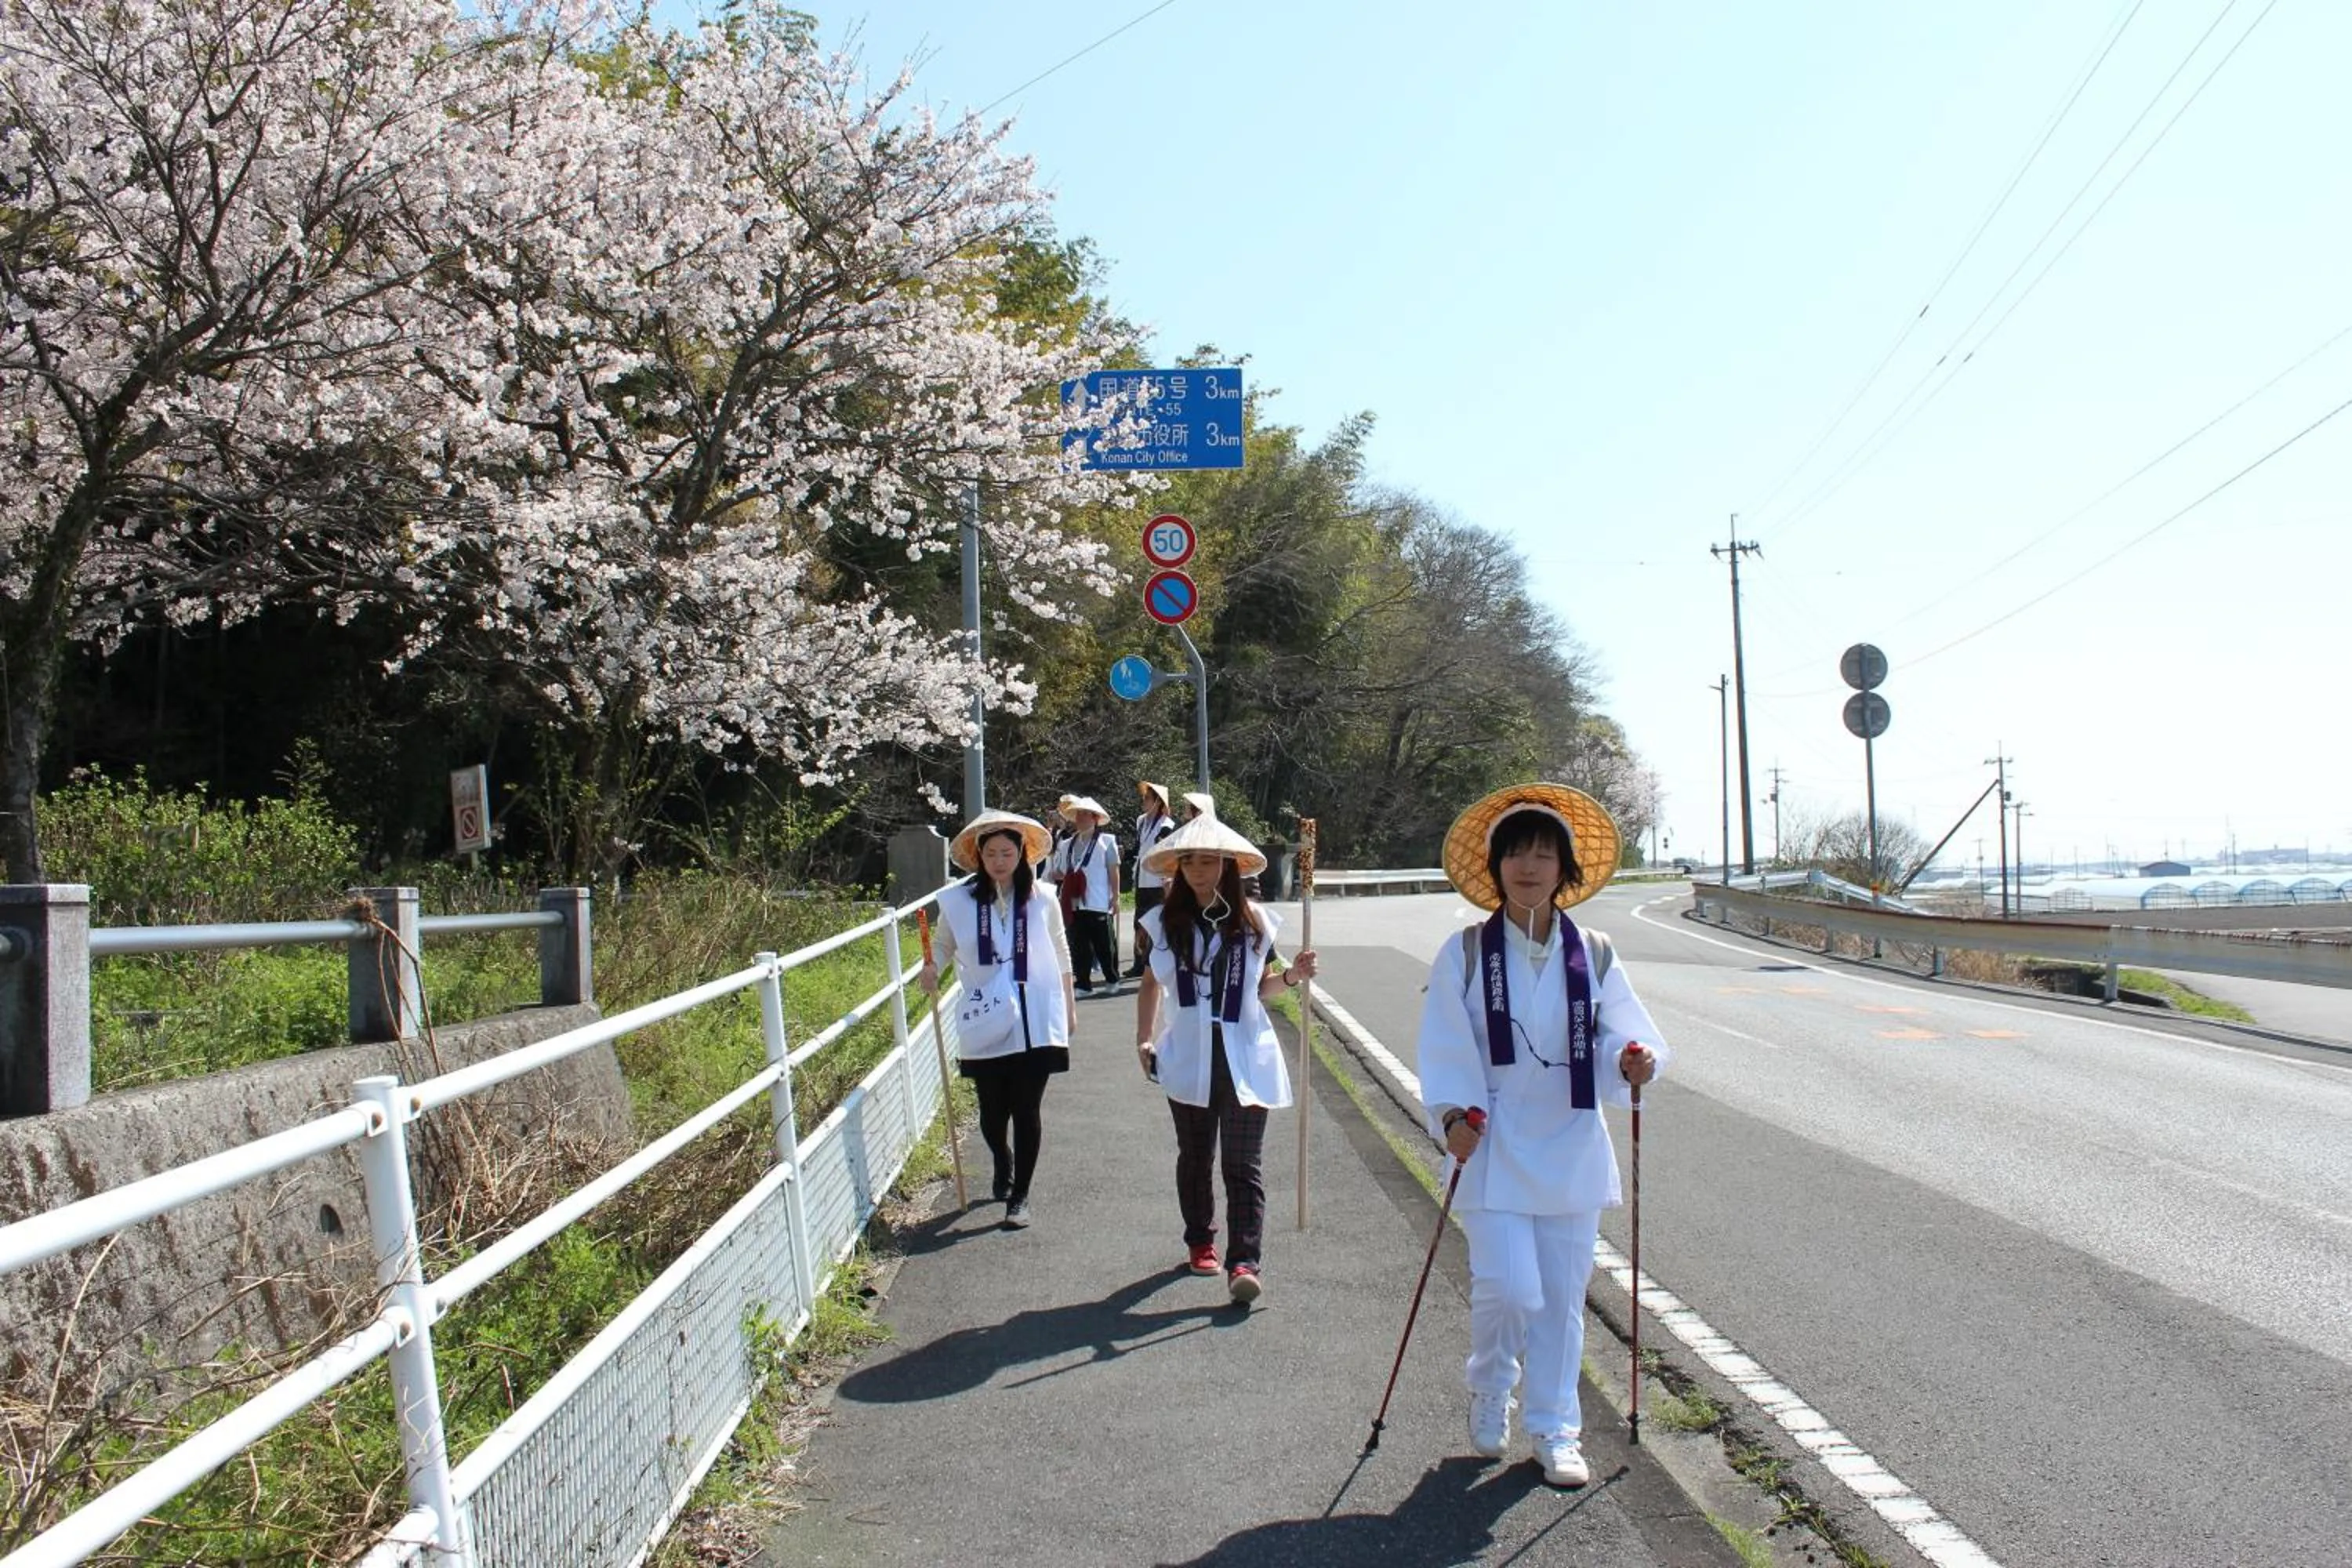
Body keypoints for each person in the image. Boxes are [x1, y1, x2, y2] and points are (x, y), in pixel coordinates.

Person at [1413, 782, 1668, 1488]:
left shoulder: (1597, 952)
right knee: (1509, 1287)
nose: (1529, 865)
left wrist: (1633, 1059)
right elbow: (1445, 1043)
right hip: (1493, 1143)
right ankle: (1492, 1384)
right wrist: (1454, 1115)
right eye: (1516, 852)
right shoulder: (1465, 952)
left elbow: (1628, 1030)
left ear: (1565, 868)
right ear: (1495, 866)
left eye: (1544, 853)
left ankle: (1556, 1427)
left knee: (1561, 1295)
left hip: (1571, 1141)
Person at [1133, 814, 1318, 1305]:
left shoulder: (1256, 922)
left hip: (1245, 1056)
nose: (1198, 870)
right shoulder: (1160, 924)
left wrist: (1295, 976)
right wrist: (1142, 1039)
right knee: (1195, 1158)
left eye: (1209, 860)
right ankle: (1200, 1240)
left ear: (1227, 866)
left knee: (1243, 1164)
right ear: (1177, 867)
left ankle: (1245, 1261)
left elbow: (1262, 989)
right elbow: (1152, 983)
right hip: (1188, 1054)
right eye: (1189, 861)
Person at [919, 810, 1076, 1229]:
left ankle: (1020, 1196)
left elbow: (1060, 948)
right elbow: (943, 945)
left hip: (1037, 1015)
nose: (1000, 861)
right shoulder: (957, 901)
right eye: (991, 854)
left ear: (1022, 854)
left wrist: (1069, 1002)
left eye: (1007, 852)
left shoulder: (1043, 897)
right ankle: (1001, 1157)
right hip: (986, 1012)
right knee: (992, 1112)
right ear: (979, 857)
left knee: (1027, 1108)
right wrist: (932, 967)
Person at [1050, 795, 1122, 995]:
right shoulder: (1067, 844)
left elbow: (1113, 870)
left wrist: (1115, 897)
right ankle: (1083, 983)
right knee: (1079, 944)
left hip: (1098, 901)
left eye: (1085, 814)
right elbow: (1062, 871)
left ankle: (1112, 978)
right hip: (1075, 902)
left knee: (1104, 944)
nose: (1080, 818)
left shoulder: (1107, 842)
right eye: (1078, 814)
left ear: (1095, 818)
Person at [1127, 782, 1177, 980]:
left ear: (1157, 802)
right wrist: (1127, 853)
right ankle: (1138, 963)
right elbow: (1138, 847)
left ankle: (1153, 962)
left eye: (1147, 798)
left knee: (1155, 923)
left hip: (1157, 880)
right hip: (1141, 877)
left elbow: (1163, 847)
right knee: (1138, 922)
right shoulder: (1142, 821)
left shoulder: (1167, 824)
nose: (1143, 801)